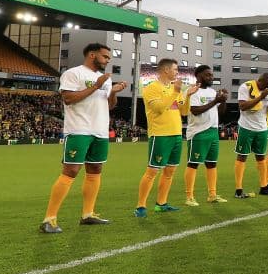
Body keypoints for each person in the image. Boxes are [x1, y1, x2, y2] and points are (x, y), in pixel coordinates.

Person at [40, 43, 127, 233]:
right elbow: (68, 99)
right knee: (71, 171)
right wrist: (96, 86)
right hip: (79, 129)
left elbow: (110, 106)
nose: (108, 60)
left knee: (95, 169)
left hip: (100, 131)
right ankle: (49, 219)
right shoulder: (74, 73)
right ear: (92, 55)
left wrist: (112, 92)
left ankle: (88, 214)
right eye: (105, 57)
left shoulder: (103, 79)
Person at [135, 59, 186, 216]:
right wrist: (176, 92)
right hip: (160, 135)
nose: (177, 73)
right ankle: (140, 206)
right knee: (152, 171)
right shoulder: (152, 88)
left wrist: (188, 95)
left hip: (176, 134)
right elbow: (158, 108)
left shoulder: (173, 89)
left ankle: (161, 203)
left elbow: (184, 112)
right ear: (165, 70)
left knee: (170, 171)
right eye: (175, 69)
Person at [182, 64, 228, 205]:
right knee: (193, 164)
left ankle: (212, 194)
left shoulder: (213, 92)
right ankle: (189, 197)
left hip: (213, 131)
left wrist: (223, 100)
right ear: (199, 76)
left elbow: (219, 112)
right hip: (199, 132)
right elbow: (195, 110)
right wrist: (215, 101)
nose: (211, 77)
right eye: (208, 75)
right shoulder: (193, 91)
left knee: (212, 164)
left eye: (212, 75)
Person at [233, 71, 268, 198]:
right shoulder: (246, 86)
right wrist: (261, 96)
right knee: (242, 156)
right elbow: (243, 106)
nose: (266, 88)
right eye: (264, 85)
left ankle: (264, 186)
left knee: (261, 157)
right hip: (246, 127)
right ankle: (238, 189)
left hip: (262, 128)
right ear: (259, 81)